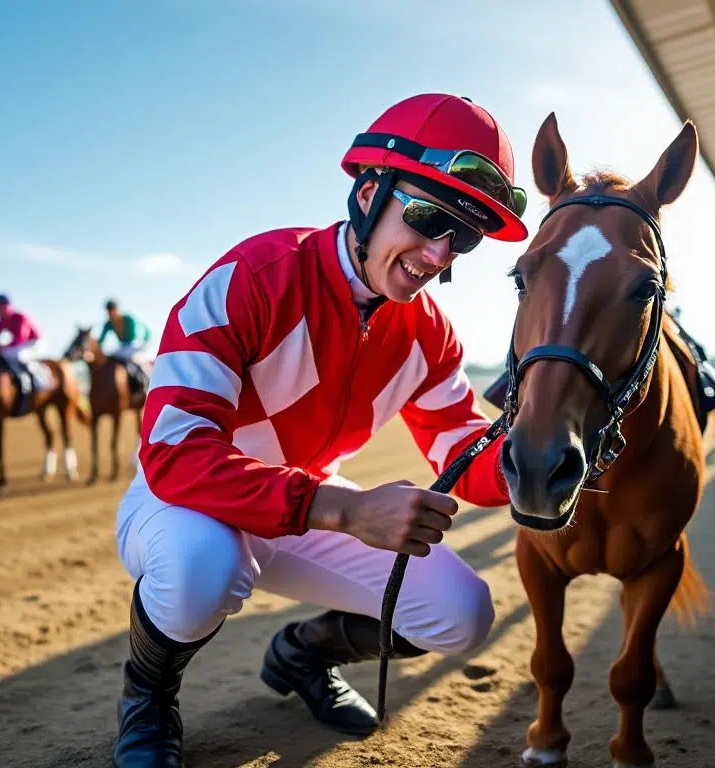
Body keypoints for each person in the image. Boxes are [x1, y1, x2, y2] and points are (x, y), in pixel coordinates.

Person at [110, 93, 530, 766]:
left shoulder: (430, 333)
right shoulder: (253, 275)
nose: (438, 255)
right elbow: (175, 453)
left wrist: (541, 456)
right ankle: (149, 698)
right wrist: (346, 508)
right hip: (186, 500)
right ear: (368, 193)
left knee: (461, 613)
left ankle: (304, 654)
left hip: (309, 504)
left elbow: (462, 447)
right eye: (427, 219)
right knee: (202, 565)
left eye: (466, 236)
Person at [0, 294, 45, 386]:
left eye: (1, 308)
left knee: (19, 355)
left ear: (8, 306)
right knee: (5, 354)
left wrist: (1, 347)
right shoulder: (2, 320)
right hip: (21, 343)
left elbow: (21, 338)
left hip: (35, 342)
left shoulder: (20, 316)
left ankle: (39, 381)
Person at [98, 299, 154, 391]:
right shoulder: (108, 323)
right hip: (123, 346)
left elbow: (139, 333)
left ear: (117, 309)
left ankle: (145, 384)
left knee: (133, 360)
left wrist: (144, 343)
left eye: (111, 310)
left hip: (135, 344)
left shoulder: (129, 318)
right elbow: (101, 340)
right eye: (108, 311)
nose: (110, 313)